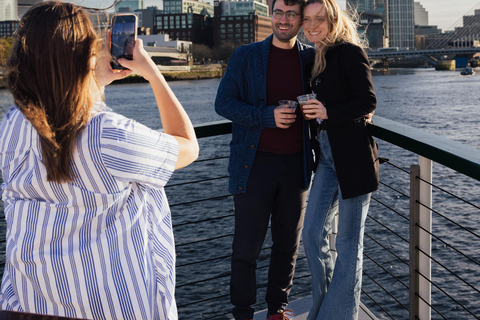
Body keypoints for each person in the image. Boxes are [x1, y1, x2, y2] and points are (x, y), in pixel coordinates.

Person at [0, 2, 198, 320]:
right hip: (109, 307)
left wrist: (95, 81)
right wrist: (152, 72)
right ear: (84, 57)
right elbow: (188, 147)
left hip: (27, 301)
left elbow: (63, 111)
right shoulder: (106, 134)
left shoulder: (11, 125)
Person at [214, 0, 315, 319]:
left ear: (300, 20)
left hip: (296, 165)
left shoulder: (311, 59)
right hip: (253, 166)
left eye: (291, 14)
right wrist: (265, 115)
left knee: (287, 247)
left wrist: (361, 110)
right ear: (270, 15)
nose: (283, 20)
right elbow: (223, 103)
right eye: (278, 13)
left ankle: (277, 310)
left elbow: (336, 95)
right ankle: (242, 313)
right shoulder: (246, 55)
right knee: (246, 249)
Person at [299, 0, 379, 319]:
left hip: (354, 160)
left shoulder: (348, 51)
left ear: (334, 19)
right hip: (327, 158)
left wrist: (330, 112)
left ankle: (339, 314)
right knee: (311, 234)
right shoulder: (317, 57)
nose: (313, 25)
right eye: (307, 19)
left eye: (320, 19)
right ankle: (324, 306)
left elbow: (368, 100)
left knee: (348, 245)